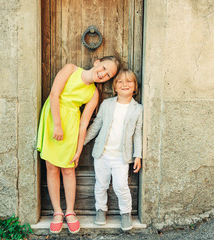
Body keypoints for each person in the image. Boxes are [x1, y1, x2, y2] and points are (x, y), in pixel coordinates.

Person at [37, 56, 120, 234]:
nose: (103, 74)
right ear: (97, 62)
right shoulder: (71, 69)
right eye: (104, 68)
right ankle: (57, 212)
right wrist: (57, 125)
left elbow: (84, 123)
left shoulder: (94, 94)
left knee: (68, 168)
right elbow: (54, 94)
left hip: (71, 126)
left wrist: (79, 149)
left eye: (108, 75)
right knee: (51, 167)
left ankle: (70, 211)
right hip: (53, 118)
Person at [84, 69, 143, 231]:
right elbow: (96, 125)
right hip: (102, 154)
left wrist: (138, 155)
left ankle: (125, 213)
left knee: (121, 186)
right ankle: (100, 209)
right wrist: (80, 143)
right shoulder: (107, 104)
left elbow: (138, 134)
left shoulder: (138, 109)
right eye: (120, 82)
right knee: (101, 184)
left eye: (129, 81)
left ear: (135, 88)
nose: (125, 84)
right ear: (115, 88)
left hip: (121, 158)